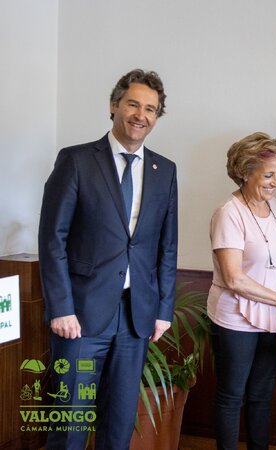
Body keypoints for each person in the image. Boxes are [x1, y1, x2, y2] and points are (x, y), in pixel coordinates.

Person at [38, 69, 177, 448]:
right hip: (80, 317)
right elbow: (52, 240)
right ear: (114, 105)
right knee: (70, 424)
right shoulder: (76, 160)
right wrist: (61, 308)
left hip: (136, 318)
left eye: (150, 109)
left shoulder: (164, 170)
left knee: (118, 425)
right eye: (133, 104)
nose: (140, 115)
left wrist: (163, 309)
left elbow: (166, 246)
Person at [207, 132, 276, 450]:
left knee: (261, 396)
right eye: (268, 175)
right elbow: (233, 278)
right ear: (245, 172)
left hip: (274, 318)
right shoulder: (229, 212)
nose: (275, 182)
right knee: (231, 396)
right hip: (235, 318)